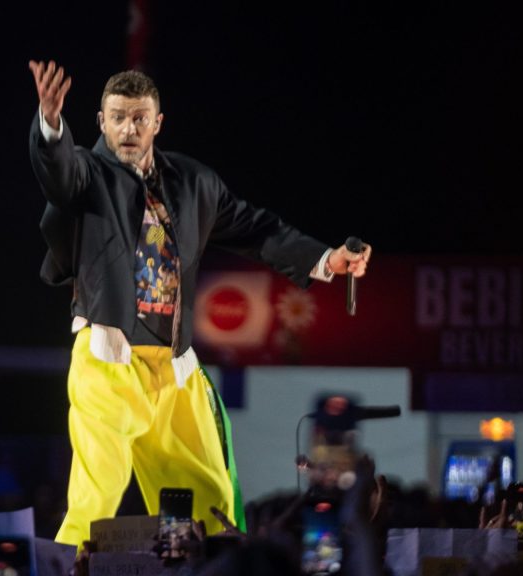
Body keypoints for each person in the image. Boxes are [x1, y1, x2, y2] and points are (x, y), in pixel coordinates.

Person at [28, 60, 372, 548]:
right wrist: (50, 123)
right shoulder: (90, 175)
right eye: (118, 118)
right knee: (97, 495)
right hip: (109, 362)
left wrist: (326, 259)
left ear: (158, 122)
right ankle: (68, 567)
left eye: (139, 118)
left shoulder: (192, 183)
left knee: (204, 495)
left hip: (175, 369)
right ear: (101, 121)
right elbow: (58, 173)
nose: (128, 129)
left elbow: (256, 228)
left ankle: (194, 565)